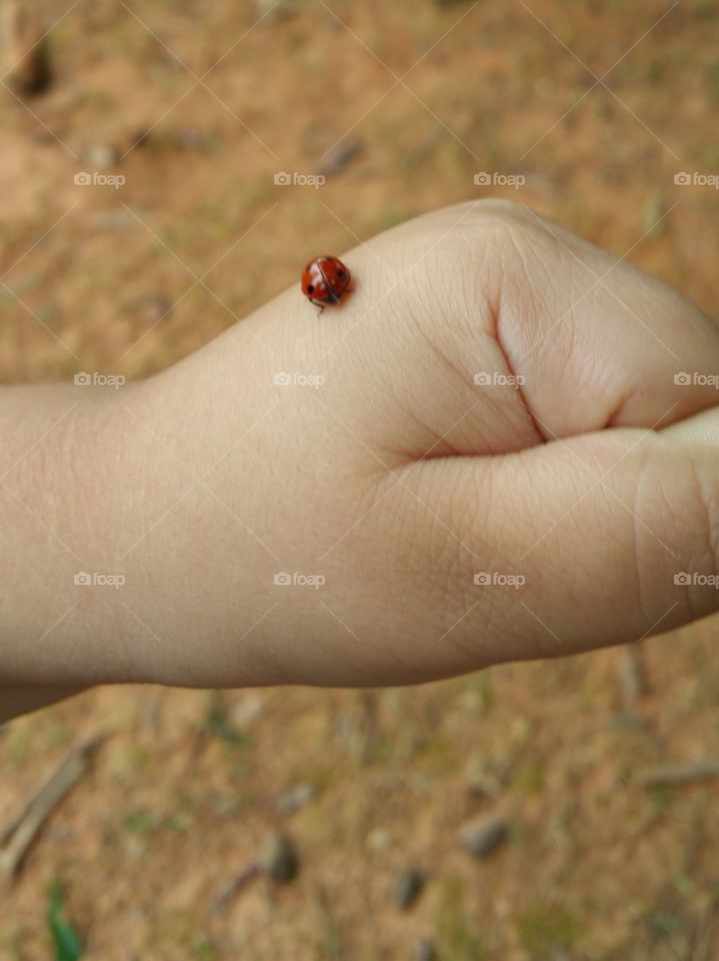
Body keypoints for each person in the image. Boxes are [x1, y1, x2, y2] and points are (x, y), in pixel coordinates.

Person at [1, 199, 717, 723]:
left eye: (327, 287)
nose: (328, 289)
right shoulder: (330, 286)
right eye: (327, 289)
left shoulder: (333, 285)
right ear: (326, 288)